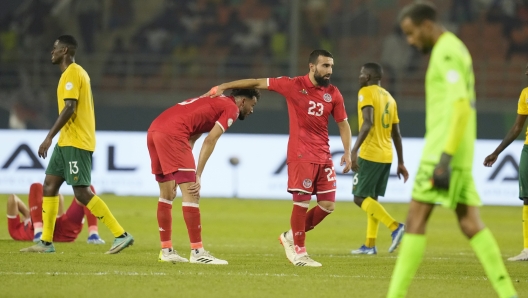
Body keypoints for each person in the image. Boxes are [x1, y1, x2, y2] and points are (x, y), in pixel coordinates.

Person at [387, 3, 517, 298]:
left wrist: (444, 159)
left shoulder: (446, 52)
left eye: (411, 33)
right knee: (470, 222)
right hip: (459, 150)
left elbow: (460, 106)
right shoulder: (456, 48)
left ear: (427, 26)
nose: (409, 40)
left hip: (443, 152)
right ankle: (508, 293)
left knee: (416, 218)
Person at [203, 49, 353, 267]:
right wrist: (224, 86)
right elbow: (256, 83)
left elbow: (343, 124)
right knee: (301, 203)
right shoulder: (292, 84)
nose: (329, 70)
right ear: (312, 66)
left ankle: (290, 237)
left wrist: (347, 151)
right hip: (301, 153)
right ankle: (300, 253)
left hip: (324, 155)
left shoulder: (334, 93)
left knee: (328, 206)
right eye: (325, 66)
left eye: (331, 66)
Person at [20, 35, 134, 254]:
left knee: (81, 192)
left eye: (54, 49)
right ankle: (45, 242)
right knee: (49, 186)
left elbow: (70, 107)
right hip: (66, 142)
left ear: (64, 51)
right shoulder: (71, 74)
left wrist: (49, 136)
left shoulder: (72, 73)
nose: (51, 52)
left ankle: (120, 234)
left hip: (76, 142)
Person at [148, 89, 260, 265]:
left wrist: (181, 171)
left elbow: (192, 138)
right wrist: (197, 174)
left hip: (155, 130)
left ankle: (166, 250)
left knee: (167, 194)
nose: (252, 110)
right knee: (192, 192)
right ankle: (198, 252)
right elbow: (210, 140)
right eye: (252, 105)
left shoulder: (213, 102)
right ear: (243, 101)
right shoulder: (231, 108)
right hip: (173, 134)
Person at [350, 62, 408, 255]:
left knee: (359, 198)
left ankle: (395, 226)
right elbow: (397, 134)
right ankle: (370, 245)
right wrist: (401, 162)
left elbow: (367, 123)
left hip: (370, 153)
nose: (359, 76)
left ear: (367, 77)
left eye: (361, 73)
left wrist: (353, 150)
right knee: (371, 200)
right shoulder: (390, 98)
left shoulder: (366, 92)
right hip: (387, 155)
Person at [484, 63, 528, 262]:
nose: (527, 74)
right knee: (527, 199)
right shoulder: (525, 94)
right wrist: (497, 152)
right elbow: (517, 127)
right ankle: (527, 249)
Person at [8, 183, 105, 244]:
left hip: (48, 227)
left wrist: (28, 214)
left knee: (87, 189)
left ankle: (39, 233)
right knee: (86, 190)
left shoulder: (16, 231)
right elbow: (12, 198)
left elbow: (13, 199)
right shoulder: (17, 230)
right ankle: (93, 234)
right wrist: (28, 214)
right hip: (65, 232)